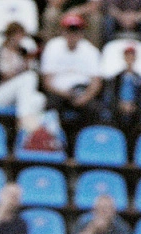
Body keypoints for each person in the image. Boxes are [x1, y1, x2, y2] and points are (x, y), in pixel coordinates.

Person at [39, 13, 104, 142]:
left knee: (94, 109)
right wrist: (64, 93)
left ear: (82, 33)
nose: (72, 35)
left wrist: (85, 97)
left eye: (76, 31)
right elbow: (46, 81)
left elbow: (96, 82)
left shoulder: (90, 51)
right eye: (69, 31)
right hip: (58, 91)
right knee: (50, 106)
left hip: (82, 91)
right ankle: (54, 141)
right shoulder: (53, 47)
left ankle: (86, 142)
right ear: (63, 32)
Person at [0, 22, 45, 132]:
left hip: (19, 95)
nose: (18, 39)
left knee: (39, 99)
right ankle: (23, 119)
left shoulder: (23, 52)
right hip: (0, 93)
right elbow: (3, 75)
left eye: (21, 36)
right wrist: (21, 69)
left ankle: (27, 134)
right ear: (9, 35)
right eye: (16, 35)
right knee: (29, 77)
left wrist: (28, 62)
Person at [105, 44, 141, 137]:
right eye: (128, 56)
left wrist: (134, 106)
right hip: (118, 110)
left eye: (132, 56)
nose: (130, 58)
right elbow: (110, 96)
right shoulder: (115, 79)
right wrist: (119, 105)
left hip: (135, 112)